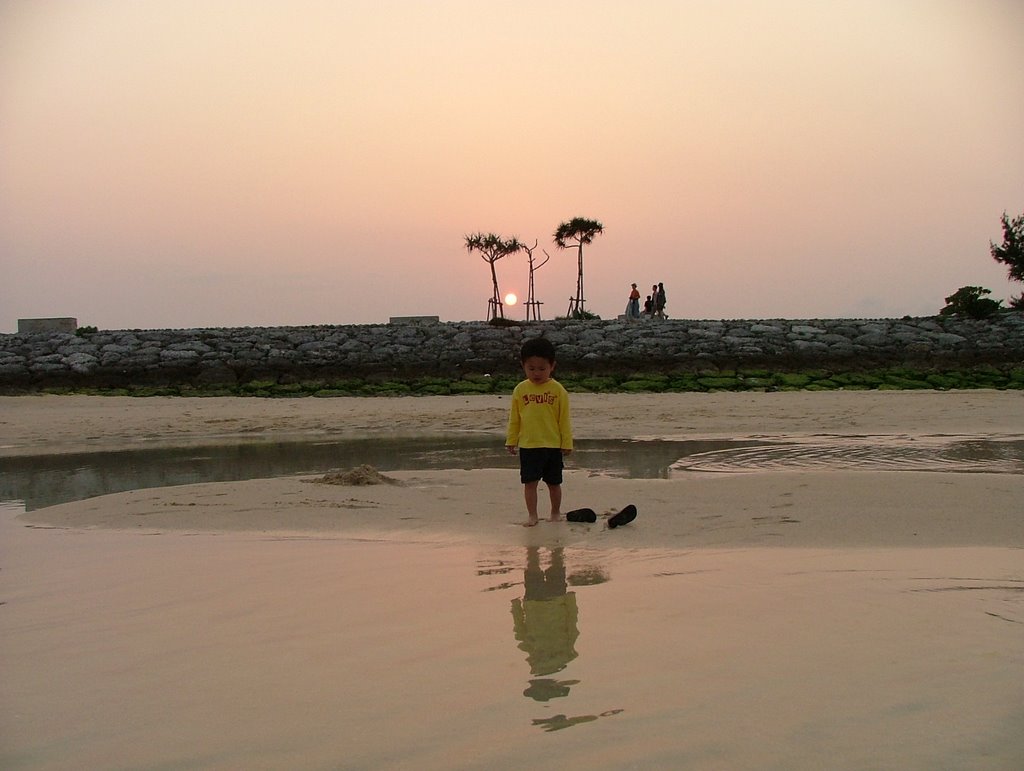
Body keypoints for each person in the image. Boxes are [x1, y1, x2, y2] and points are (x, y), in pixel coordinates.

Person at [506, 337, 573, 527]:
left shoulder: (558, 390)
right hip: (529, 445)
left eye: (542, 368)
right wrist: (511, 440)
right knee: (530, 483)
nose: (536, 373)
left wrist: (566, 443)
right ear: (523, 366)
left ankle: (555, 512)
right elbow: (515, 418)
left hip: (552, 446)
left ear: (552, 366)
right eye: (531, 368)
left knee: (554, 483)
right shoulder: (520, 390)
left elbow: (564, 419)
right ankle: (533, 515)